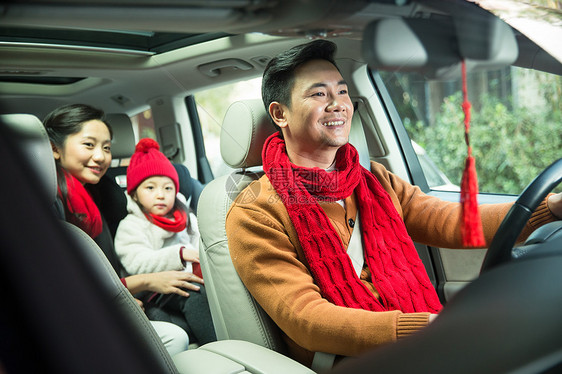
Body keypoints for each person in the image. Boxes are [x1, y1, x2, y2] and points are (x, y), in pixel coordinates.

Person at [225, 40, 562, 367]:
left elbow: (450, 219)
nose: (338, 104)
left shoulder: (372, 178)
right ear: (280, 114)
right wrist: (423, 329)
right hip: (349, 359)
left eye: (342, 91)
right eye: (318, 94)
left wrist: (552, 208)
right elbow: (306, 318)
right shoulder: (255, 211)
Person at [43, 103, 197, 355]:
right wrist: (143, 282)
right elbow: (64, 288)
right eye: (89, 145)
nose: (102, 156)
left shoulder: (103, 195)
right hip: (72, 315)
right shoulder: (49, 203)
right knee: (174, 337)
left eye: (106, 147)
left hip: (106, 298)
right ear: (54, 149)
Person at [114, 138, 216, 346]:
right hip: (151, 289)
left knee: (202, 293)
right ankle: (217, 345)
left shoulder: (185, 217)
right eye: (150, 188)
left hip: (185, 282)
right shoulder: (132, 225)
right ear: (134, 193)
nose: (160, 195)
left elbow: (200, 243)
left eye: (168, 188)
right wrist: (178, 254)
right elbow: (136, 262)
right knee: (193, 294)